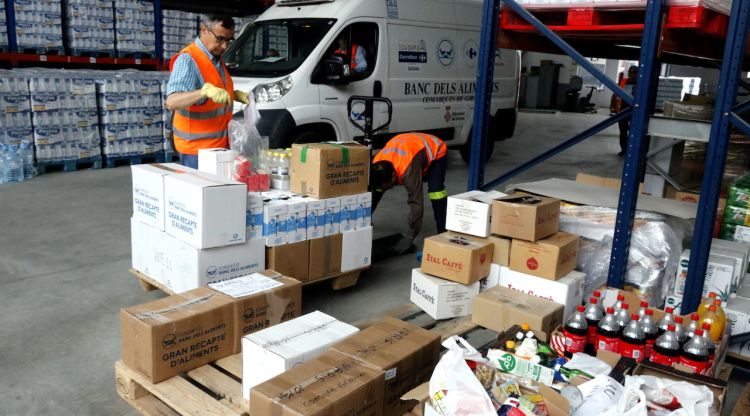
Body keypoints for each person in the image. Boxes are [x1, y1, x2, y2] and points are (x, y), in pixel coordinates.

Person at [166, 14, 250, 169]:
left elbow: (215, 90)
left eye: (228, 41)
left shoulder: (215, 58)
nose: (225, 46)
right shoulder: (188, 60)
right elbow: (172, 101)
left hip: (217, 147)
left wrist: (233, 94)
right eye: (220, 39)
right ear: (204, 30)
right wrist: (202, 92)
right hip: (196, 152)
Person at [370, 132, 448, 253]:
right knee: (377, 190)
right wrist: (364, 221)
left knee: (436, 192)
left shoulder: (408, 170)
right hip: (408, 144)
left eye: (385, 186)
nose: (383, 189)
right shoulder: (377, 163)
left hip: (435, 150)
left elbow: (416, 203)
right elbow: (375, 191)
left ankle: (443, 231)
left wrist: (410, 237)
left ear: (393, 176)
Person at [610, 65, 638, 156]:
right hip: (622, 109)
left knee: (634, 132)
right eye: (630, 72)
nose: (631, 74)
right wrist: (613, 105)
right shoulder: (623, 81)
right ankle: (624, 149)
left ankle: (632, 150)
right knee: (623, 131)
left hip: (635, 111)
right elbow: (615, 93)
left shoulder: (641, 82)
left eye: (634, 73)